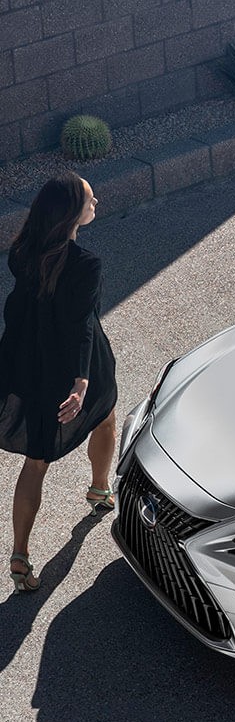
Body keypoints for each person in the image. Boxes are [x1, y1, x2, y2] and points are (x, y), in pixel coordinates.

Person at [0, 172, 117, 593]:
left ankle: (19, 554)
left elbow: (19, 310)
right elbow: (81, 326)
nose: (95, 201)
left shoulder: (23, 251)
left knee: (36, 460)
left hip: (31, 363)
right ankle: (100, 489)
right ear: (72, 213)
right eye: (89, 198)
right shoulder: (86, 265)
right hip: (76, 365)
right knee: (104, 416)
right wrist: (82, 380)